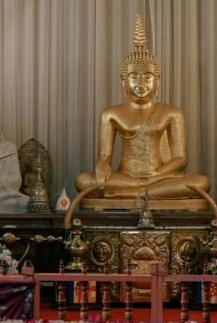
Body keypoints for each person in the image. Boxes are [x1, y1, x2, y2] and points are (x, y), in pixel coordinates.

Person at [75, 15, 210, 199]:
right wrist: (102, 165)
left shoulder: (171, 112)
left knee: (201, 182)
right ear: (123, 81)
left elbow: (181, 158)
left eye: (147, 77)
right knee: (82, 181)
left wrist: (158, 174)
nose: (140, 83)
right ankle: (146, 192)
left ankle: (136, 193)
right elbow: (105, 156)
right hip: (125, 177)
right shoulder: (111, 114)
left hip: (160, 177)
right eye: (133, 77)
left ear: (158, 81)